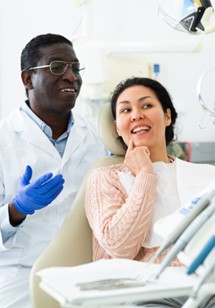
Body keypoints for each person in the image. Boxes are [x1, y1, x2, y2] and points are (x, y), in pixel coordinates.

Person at [84, 77, 215, 307]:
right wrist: (145, 176)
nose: (136, 115)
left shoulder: (205, 175)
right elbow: (120, 247)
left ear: (167, 116)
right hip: (142, 293)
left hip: (205, 286)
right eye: (126, 110)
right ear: (117, 127)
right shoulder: (106, 177)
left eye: (146, 105)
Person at [0, 33, 107, 308]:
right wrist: (16, 209)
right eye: (57, 67)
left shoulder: (95, 138)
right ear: (27, 79)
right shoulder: (4, 139)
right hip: (20, 280)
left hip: (85, 275)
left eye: (75, 67)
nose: (71, 77)